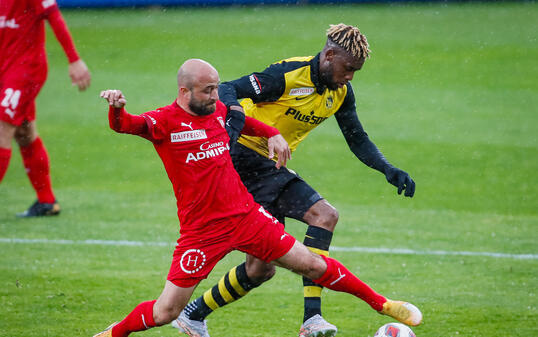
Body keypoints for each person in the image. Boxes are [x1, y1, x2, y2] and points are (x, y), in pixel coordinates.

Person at [93, 59, 422, 337]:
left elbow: (248, 122)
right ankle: (112, 333)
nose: (215, 95)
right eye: (207, 90)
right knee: (165, 311)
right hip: (201, 232)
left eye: (216, 87)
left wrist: (273, 133)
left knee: (311, 262)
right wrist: (117, 109)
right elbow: (127, 126)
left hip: (246, 217)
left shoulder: (218, 110)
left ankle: (383, 304)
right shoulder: (164, 121)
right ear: (184, 91)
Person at [175, 24, 416, 337]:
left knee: (261, 269)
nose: (350, 77)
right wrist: (234, 115)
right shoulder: (287, 76)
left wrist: (386, 168)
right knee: (324, 215)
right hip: (243, 159)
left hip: (266, 168)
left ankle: (193, 314)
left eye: (356, 71)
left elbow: (356, 137)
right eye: (348, 68)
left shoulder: (340, 92)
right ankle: (312, 319)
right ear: (329, 55)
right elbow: (228, 89)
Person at [0, 0, 91, 217]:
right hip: (6, 69)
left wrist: (74, 60)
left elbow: (54, 17)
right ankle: (47, 201)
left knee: (2, 127)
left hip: (26, 70)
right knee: (24, 132)